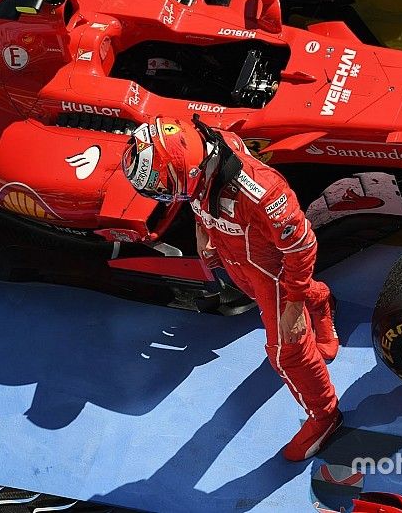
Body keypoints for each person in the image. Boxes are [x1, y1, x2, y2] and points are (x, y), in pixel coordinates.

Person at [121, 115, 341, 461]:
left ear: (190, 172)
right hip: (238, 262)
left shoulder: (263, 191)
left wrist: (295, 302)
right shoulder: (200, 148)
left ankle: (325, 416)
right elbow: (195, 195)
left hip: (275, 272)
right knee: (261, 301)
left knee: (287, 353)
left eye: (162, 187)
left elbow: (301, 246)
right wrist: (203, 230)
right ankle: (322, 302)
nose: (161, 196)